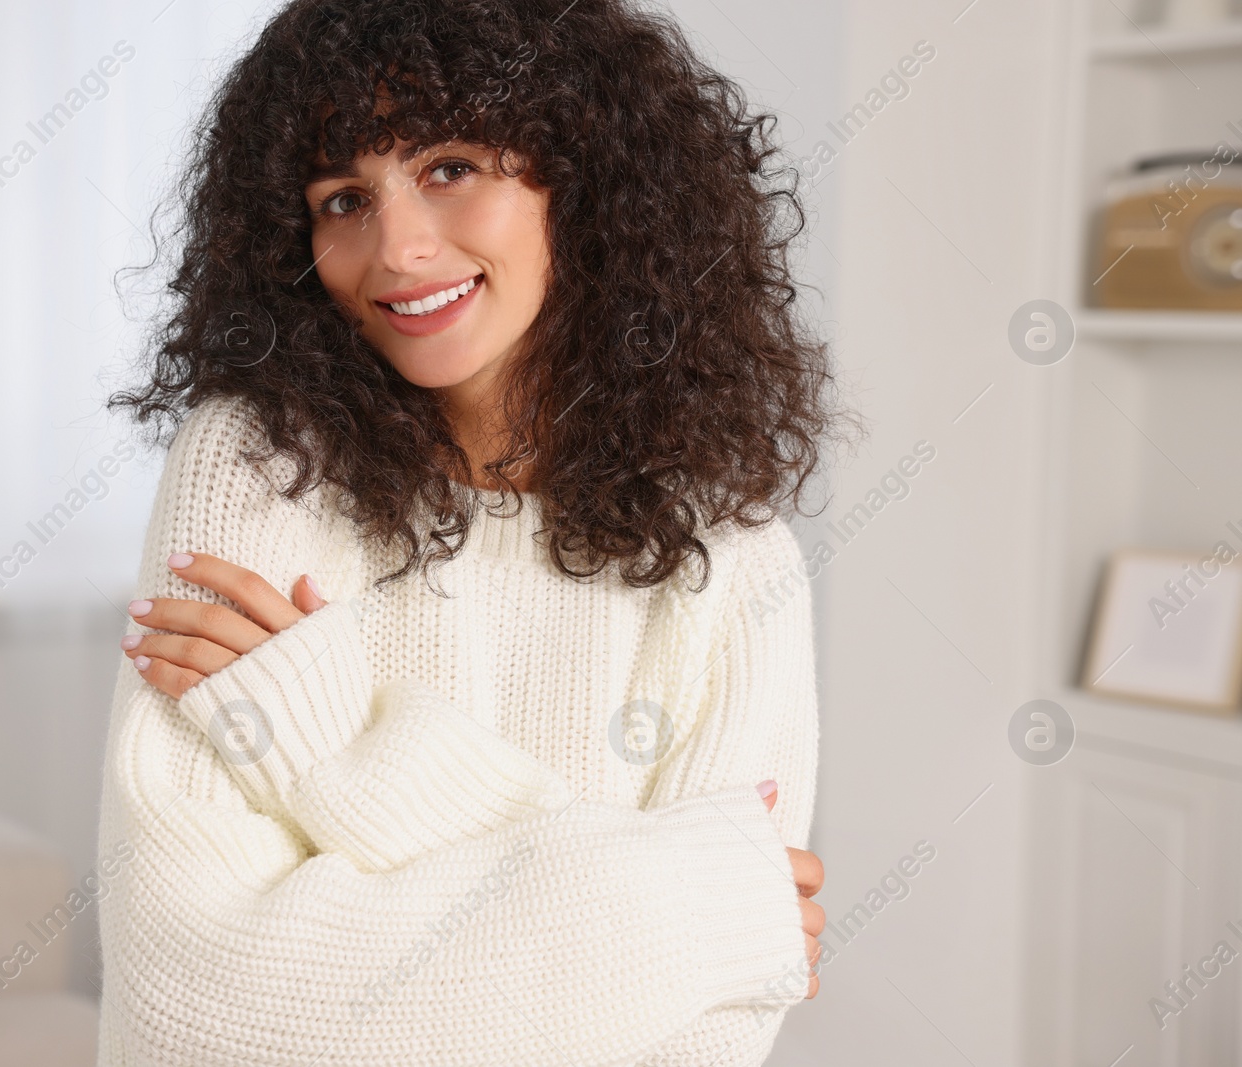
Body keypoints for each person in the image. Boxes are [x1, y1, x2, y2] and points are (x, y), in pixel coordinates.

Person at [96, 0, 855, 1063]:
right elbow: (194, 1004)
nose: (396, 248)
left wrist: (330, 745)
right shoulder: (259, 467)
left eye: (451, 166)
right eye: (343, 197)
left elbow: (707, 1041)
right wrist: (684, 906)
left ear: (585, 179)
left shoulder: (732, 556)